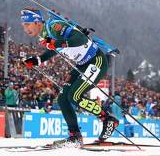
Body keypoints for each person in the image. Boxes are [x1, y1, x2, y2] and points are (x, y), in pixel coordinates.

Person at [20, 8, 119, 146]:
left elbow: (80, 38)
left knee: (74, 96)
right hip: (81, 65)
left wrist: (56, 43)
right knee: (62, 99)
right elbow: (53, 50)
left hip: (96, 61)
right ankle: (75, 136)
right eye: (23, 25)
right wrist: (37, 60)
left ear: (37, 22)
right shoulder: (44, 35)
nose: (25, 28)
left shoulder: (54, 26)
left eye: (27, 24)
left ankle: (107, 119)